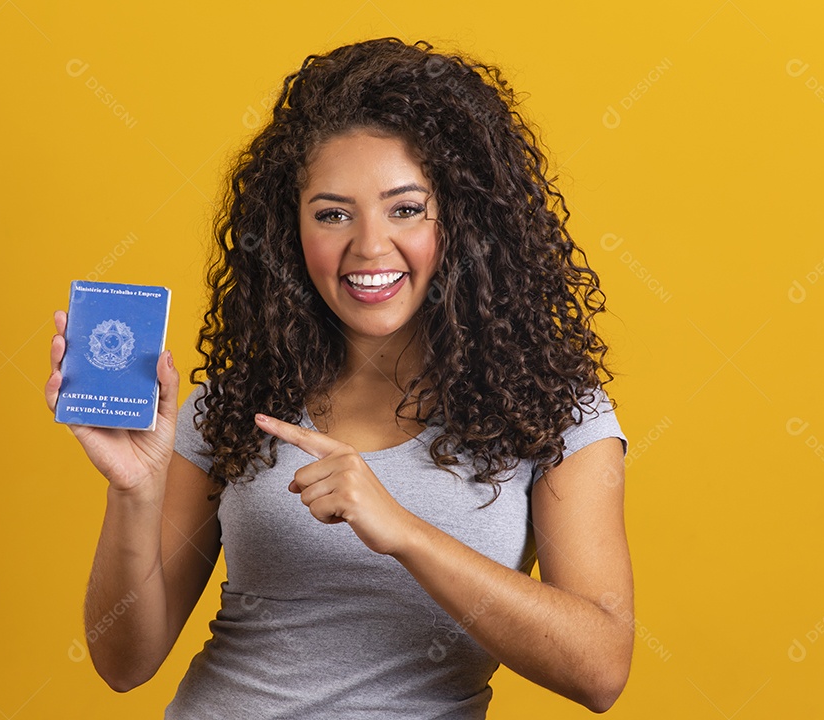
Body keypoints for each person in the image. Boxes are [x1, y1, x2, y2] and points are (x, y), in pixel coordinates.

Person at [46, 37, 633, 718]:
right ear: (291, 231)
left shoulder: (554, 415)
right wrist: (134, 493)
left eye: (405, 208)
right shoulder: (233, 407)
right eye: (332, 213)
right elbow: (124, 663)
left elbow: (599, 668)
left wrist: (402, 529)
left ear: (464, 221)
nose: (369, 247)